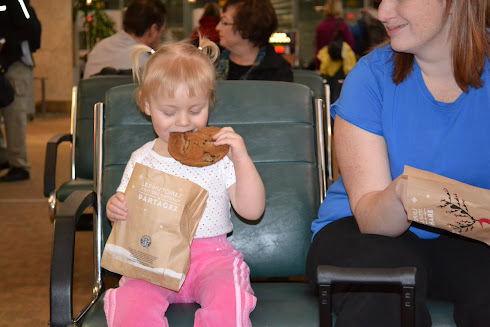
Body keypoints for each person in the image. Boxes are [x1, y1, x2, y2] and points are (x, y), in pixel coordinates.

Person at [307, 0, 490, 326]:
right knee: (388, 283)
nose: (384, 12)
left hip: (464, 236)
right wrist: (406, 195)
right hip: (366, 230)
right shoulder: (370, 77)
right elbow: (371, 219)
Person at [103, 38, 266, 326]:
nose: (183, 122)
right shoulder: (141, 159)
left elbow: (252, 211)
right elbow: (125, 214)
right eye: (169, 112)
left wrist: (241, 158)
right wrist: (114, 208)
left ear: (209, 103)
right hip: (153, 259)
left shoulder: (219, 156)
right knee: (130, 301)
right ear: (147, 105)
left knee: (230, 298)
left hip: (212, 258)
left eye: (195, 110)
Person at [0, 0, 41, 182]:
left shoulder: (17, 1)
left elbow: (31, 29)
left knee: (14, 115)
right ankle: (3, 158)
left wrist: (7, 52)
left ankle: (19, 165)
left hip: (16, 65)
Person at [82, 0, 166, 79]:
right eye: (162, 32)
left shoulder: (98, 49)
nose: (160, 39)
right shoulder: (148, 66)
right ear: (153, 29)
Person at [215, 0, 293, 81]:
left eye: (224, 22)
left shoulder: (277, 71)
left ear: (246, 29)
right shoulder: (211, 58)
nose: (217, 27)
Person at [314, 0, 355, 68]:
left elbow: (318, 49)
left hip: (325, 65)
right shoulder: (342, 25)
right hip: (340, 66)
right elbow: (350, 46)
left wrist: (319, 65)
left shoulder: (320, 27)